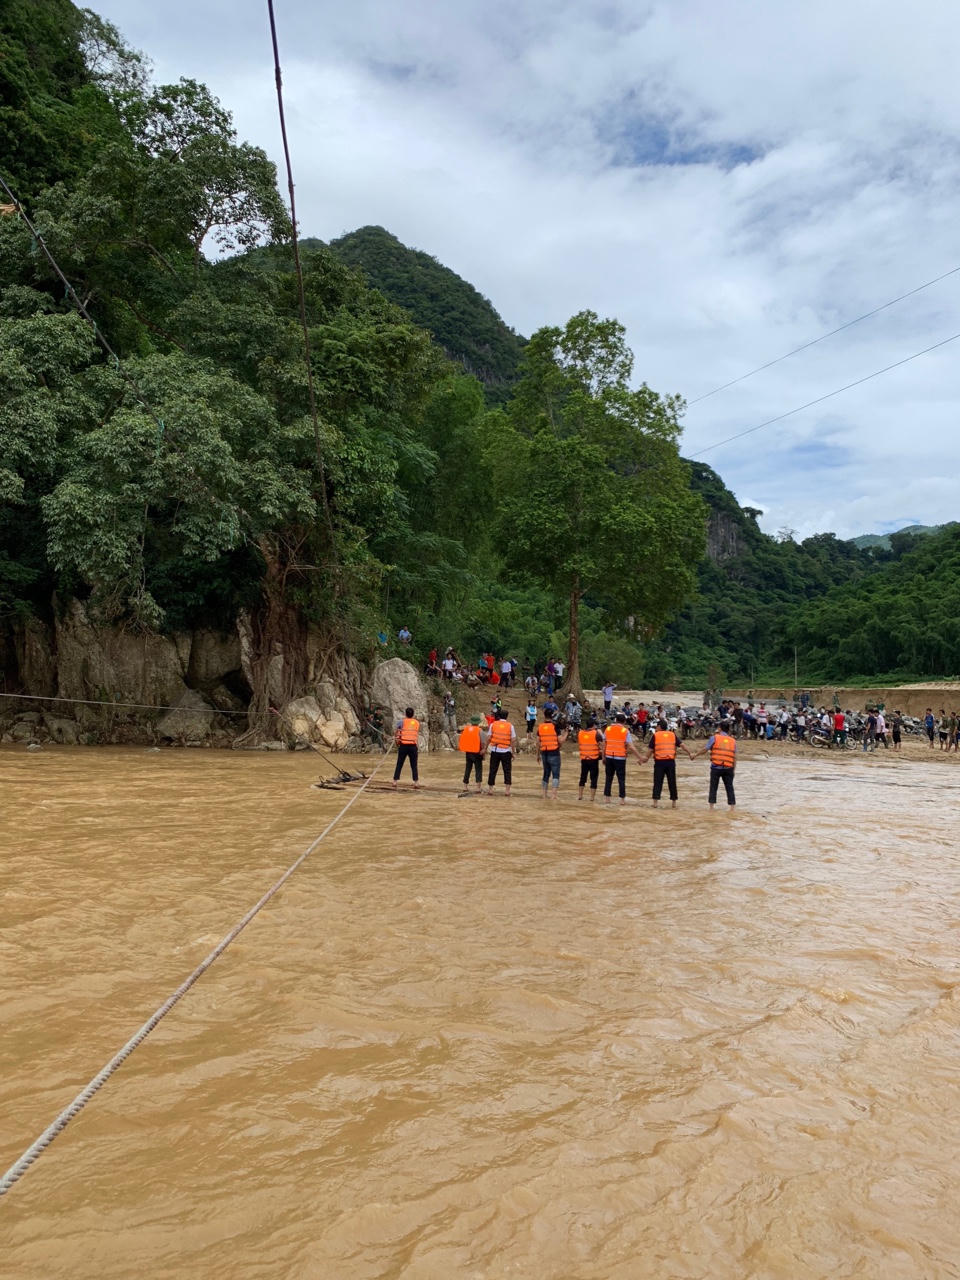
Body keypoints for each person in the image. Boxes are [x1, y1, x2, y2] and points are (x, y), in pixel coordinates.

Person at [642, 717, 694, 808]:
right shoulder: (672, 735)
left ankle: (655, 803)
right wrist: (690, 753)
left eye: (656, 726)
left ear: (659, 726)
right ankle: (674, 803)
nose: (656, 728)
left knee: (658, 782)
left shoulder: (656, 735)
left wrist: (645, 758)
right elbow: (682, 745)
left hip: (659, 763)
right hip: (670, 762)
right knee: (672, 782)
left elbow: (650, 750)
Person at [692, 719, 737, 810]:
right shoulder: (732, 741)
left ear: (719, 728)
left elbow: (705, 749)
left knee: (713, 787)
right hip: (729, 767)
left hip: (716, 767)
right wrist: (734, 769)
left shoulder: (715, 738)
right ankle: (732, 808)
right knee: (729, 788)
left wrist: (695, 755)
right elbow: (735, 757)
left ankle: (711, 808)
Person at [602, 713, 644, 804]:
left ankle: (607, 798)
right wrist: (640, 757)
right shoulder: (625, 731)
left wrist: (603, 757)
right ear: (624, 721)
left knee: (608, 778)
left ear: (616, 720)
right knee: (621, 779)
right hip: (620, 758)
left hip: (609, 756)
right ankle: (622, 799)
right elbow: (631, 747)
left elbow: (604, 744)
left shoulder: (608, 729)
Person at [536, 708, 568, 800]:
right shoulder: (555, 727)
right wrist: (566, 733)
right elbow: (561, 740)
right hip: (554, 752)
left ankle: (544, 794)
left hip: (544, 753)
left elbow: (538, 742)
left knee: (546, 774)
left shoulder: (540, 727)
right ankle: (553, 795)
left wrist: (538, 755)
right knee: (555, 774)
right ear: (552, 716)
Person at [485, 709, 516, 795]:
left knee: (492, 770)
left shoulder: (493, 724)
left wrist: (485, 748)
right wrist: (513, 752)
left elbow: (488, 737)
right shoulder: (510, 726)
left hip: (495, 750)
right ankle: (507, 791)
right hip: (506, 751)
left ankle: (490, 790)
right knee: (507, 771)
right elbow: (513, 740)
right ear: (507, 716)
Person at [392, 707, 421, 787]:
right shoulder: (417, 723)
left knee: (399, 764)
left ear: (405, 713)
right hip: (413, 746)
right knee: (414, 765)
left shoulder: (401, 722)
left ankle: (395, 781)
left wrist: (396, 742)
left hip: (403, 745)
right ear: (413, 714)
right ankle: (416, 782)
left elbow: (397, 732)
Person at [577, 715, 604, 801]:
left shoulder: (580, 733)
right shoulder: (596, 734)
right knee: (594, 778)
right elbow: (602, 746)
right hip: (593, 759)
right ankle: (592, 798)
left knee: (583, 777)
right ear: (593, 725)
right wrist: (603, 758)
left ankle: (580, 796)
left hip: (584, 759)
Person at [458, 715, 485, 793]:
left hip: (468, 753)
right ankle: (478, 788)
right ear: (478, 723)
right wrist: (483, 751)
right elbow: (483, 742)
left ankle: (465, 786)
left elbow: (462, 740)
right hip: (477, 752)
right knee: (478, 770)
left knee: (468, 769)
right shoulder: (480, 731)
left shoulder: (466, 729)